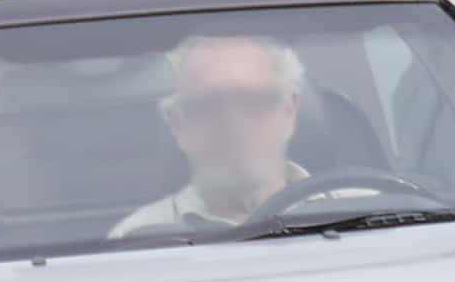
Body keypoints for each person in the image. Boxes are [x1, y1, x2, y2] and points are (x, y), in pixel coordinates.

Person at [112, 32, 313, 238]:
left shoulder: (346, 214)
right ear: (177, 124)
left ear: (289, 111)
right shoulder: (136, 237)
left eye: (253, 101)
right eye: (208, 106)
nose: (233, 124)